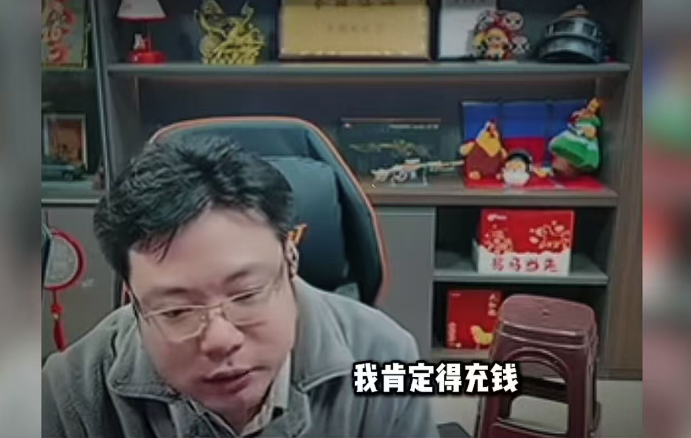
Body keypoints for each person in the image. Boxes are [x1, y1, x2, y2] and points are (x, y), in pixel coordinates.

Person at [41, 136, 439, 438]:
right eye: (176, 311)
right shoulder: (71, 393)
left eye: (247, 294)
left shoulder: (384, 356)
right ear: (132, 298)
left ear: (290, 260)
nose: (220, 339)